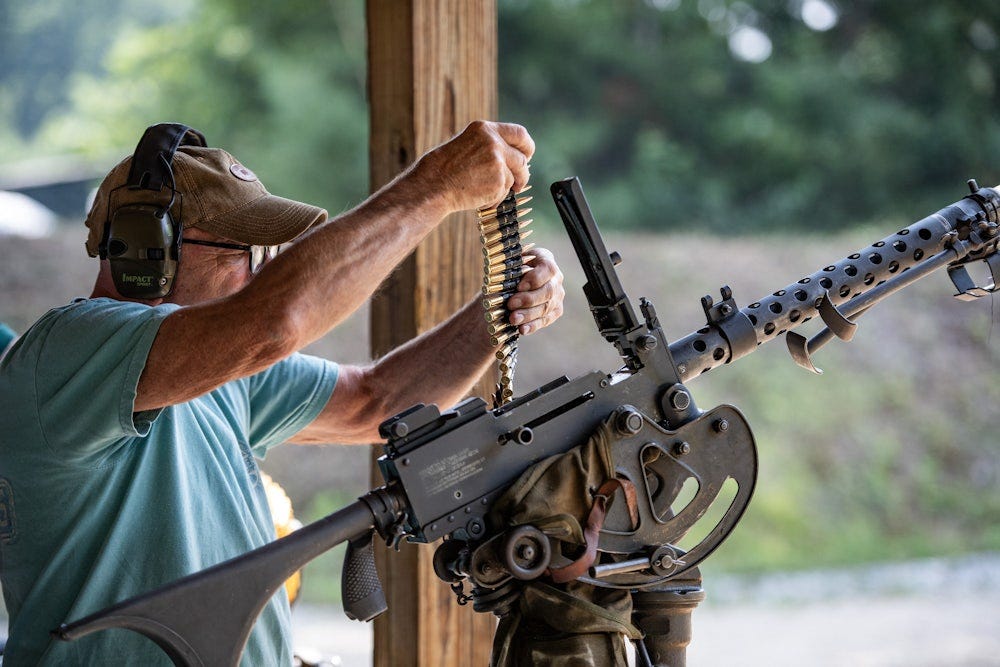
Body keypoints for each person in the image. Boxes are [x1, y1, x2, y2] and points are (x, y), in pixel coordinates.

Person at [0, 120, 565, 665]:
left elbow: (377, 403)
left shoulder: (216, 371)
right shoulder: (67, 351)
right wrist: (436, 185)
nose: (258, 274)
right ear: (149, 250)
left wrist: (497, 314)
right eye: (244, 252)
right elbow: (272, 323)